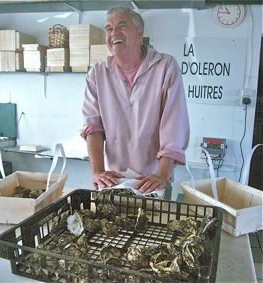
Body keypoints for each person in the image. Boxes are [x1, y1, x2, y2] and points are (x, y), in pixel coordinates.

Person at [81, 6, 190, 197]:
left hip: (154, 180)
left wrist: (162, 175)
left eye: (122, 26)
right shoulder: (97, 73)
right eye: (108, 28)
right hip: (115, 181)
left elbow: (174, 126)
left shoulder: (165, 67)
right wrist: (97, 171)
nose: (114, 33)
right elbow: (93, 126)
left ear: (140, 33)